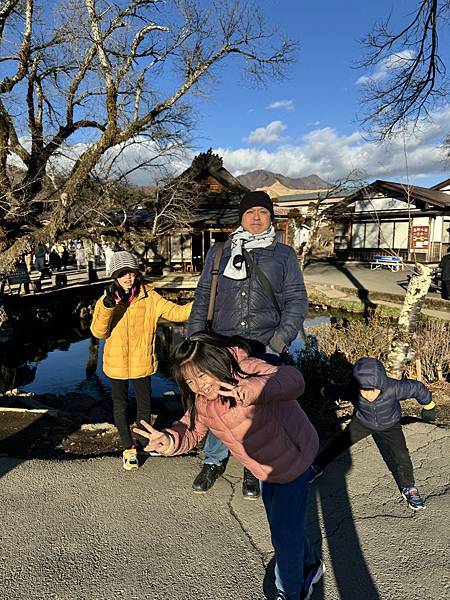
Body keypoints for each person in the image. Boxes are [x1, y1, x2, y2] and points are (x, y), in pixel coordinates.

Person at [134, 332, 323, 600]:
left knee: (283, 537)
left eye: (202, 375)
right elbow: (190, 430)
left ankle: (292, 592)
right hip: (264, 470)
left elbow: (292, 380)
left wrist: (248, 390)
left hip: (293, 459)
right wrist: (169, 440)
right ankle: (310, 565)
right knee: (285, 526)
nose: (199, 386)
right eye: (190, 381)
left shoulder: (244, 369)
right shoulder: (202, 402)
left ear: (214, 363)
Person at [188, 190, 308, 498]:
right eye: (250, 212)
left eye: (263, 212)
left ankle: (251, 467)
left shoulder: (284, 255)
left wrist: (278, 342)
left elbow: (296, 301)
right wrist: (194, 340)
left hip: (265, 346)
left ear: (271, 217)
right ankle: (214, 461)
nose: (256, 217)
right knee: (219, 402)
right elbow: (202, 299)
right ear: (240, 217)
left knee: (259, 410)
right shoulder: (220, 253)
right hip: (221, 345)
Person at [90, 250, 192, 470]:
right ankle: (128, 448)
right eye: (122, 273)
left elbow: (177, 313)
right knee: (120, 406)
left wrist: (202, 301)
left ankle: (143, 443)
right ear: (114, 276)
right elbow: (98, 333)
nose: (128, 277)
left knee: (144, 406)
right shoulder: (105, 300)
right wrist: (108, 307)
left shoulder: (150, 297)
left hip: (142, 362)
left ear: (137, 273)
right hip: (116, 364)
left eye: (131, 272)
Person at [309, 357, 436, 510]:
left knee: (401, 454)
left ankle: (409, 487)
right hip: (363, 422)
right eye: (364, 390)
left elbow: (418, 388)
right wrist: (323, 390)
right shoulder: (353, 390)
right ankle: (316, 466)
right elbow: (336, 390)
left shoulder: (394, 388)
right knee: (339, 443)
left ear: (381, 385)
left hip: (390, 424)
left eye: (372, 390)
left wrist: (429, 406)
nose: (368, 395)